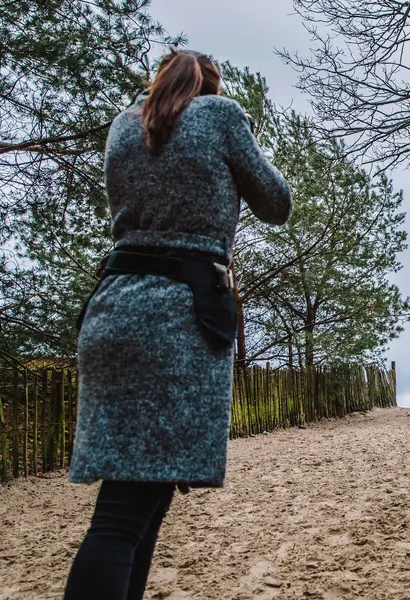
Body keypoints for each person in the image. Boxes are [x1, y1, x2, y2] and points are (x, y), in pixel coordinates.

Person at [63, 49, 292, 600]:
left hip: (114, 306)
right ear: (209, 89)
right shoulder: (221, 116)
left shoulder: (124, 126)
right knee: (121, 517)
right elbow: (277, 204)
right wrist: (243, 130)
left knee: (141, 505)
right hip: (177, 319)